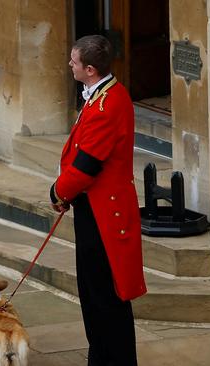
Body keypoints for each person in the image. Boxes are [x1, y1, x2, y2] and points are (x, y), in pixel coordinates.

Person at [49, 34, 147, 366]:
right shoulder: (101, 95)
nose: (69, 65)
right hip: (92, 207)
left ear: (89, 69)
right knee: (93, 295)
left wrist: (58, 192)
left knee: (106, 297)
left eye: (74, 61)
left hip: (105, 214)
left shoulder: (108, 104)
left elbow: (87, 165)